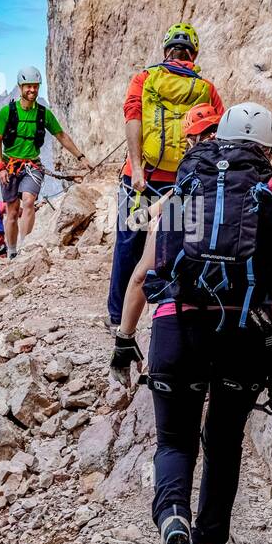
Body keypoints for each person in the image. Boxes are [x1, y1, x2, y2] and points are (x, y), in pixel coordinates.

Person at [110, 102, 272, 544]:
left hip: (175, 327)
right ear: (268, 147)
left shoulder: (183, 189)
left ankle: (173, 522)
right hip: (242, 330)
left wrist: (125, 339)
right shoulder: (270, 185)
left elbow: (148, 270)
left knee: (173, 442)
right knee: (223, 442)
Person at [107, 23, 224, 330]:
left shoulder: (144, 79)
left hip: (140, 175)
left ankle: (119, 317)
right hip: (183, 180)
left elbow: (133, 118)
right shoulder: (206, 88)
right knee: (176, 243)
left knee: (128, 240)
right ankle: (170, 312)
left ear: (166, 51)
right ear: (193, 54)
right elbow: (218, 134)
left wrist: (137, 167)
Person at [0, 67, 89, 258]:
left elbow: (61, 135)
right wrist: (0, 167)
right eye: (28, 86)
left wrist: (81, 157)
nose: (32, 90)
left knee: (28, 202)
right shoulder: (7, 112)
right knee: (12, 212)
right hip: (10, 166)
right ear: (20, 87)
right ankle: (11, 251)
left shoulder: (44, 114)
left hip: (32, 166)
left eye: (35, 86)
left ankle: (25, 248)